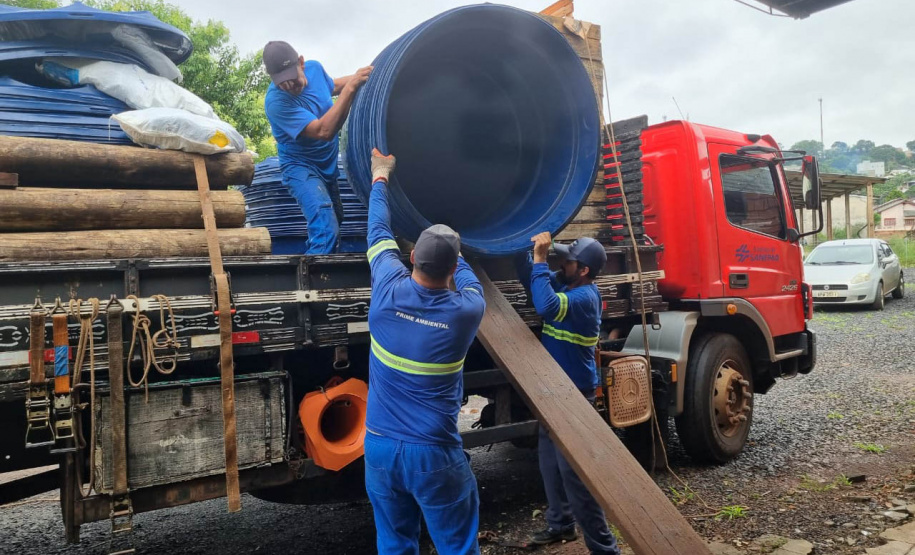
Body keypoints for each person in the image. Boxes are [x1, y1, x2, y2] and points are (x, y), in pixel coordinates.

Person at [363, 148, 486, 555]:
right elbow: (470, 282)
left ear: (411, 256)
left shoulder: (384, 291)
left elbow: (377, 230)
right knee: (456, 545)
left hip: (379, 447)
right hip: (432, 454)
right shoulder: (465, 312)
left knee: (395, 545)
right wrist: (459, 255)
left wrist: (380, 176)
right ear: (452, 269)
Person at [517, 232, 620, 555]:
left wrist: (538, 260)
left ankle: (604, 548)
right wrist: (525, 247)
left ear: (584, 270)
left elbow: (545, 305)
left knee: (575, 476)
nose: (561, 263)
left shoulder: (584, 298)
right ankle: (560, 524)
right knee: (549, 463)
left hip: (575, 396)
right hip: (552, 390)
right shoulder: (566, 282)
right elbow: (528, 278)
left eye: (568, 260)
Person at [262, 40, 372, 254]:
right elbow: (324, 131)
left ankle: (318, 268)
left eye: (291, 79)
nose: (288, 86)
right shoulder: (276, 103)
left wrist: (369, 75)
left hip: (327, 167)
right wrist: (351, 88)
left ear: (301, 63)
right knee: (325, 227)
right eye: (281, 82)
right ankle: (312, 284)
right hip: (300, 168)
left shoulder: (315, 68)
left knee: (336, 221)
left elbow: (333, 86)